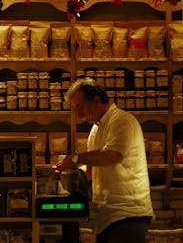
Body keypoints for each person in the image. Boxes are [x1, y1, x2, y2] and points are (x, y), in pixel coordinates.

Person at [56, 77, 154, 243]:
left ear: (96, 100)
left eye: (80, 107)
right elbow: (92, 172)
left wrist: (74, 159)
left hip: (128, 214)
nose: (79, 115)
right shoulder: (96, 129)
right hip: (106, 215)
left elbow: (111, 155)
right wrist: (68, 174)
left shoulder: (122, 121)